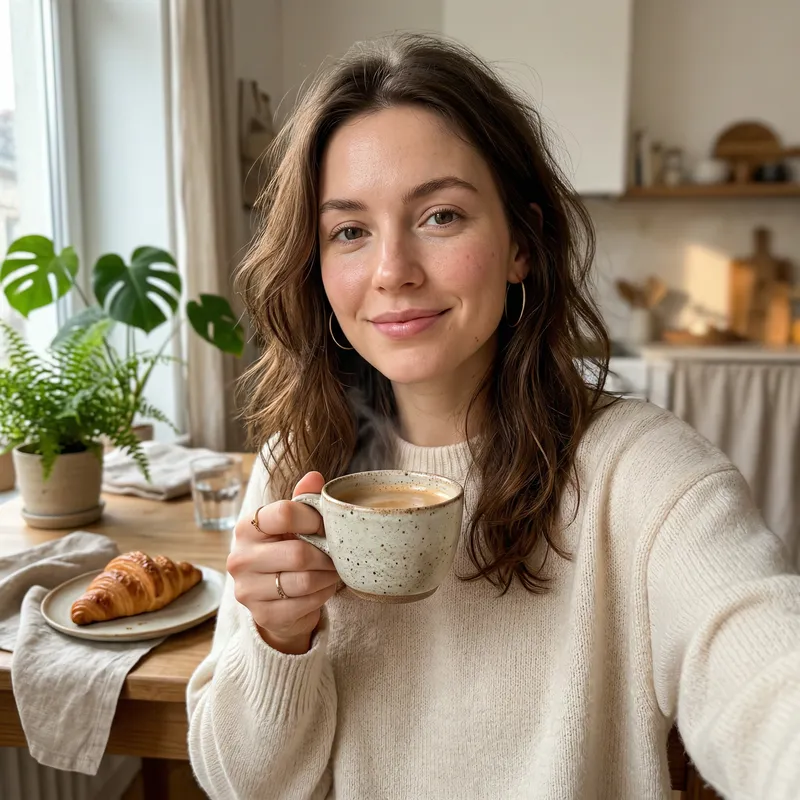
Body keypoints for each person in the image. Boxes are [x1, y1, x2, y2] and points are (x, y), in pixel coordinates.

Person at [187, 33, 800, 800]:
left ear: (521, 245)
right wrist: (280, 640)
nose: (392, 271)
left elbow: (766, 670)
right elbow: (239, 785)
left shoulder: (639, 475)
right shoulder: (295, 469)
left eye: (441, 216)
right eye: (350, 231)